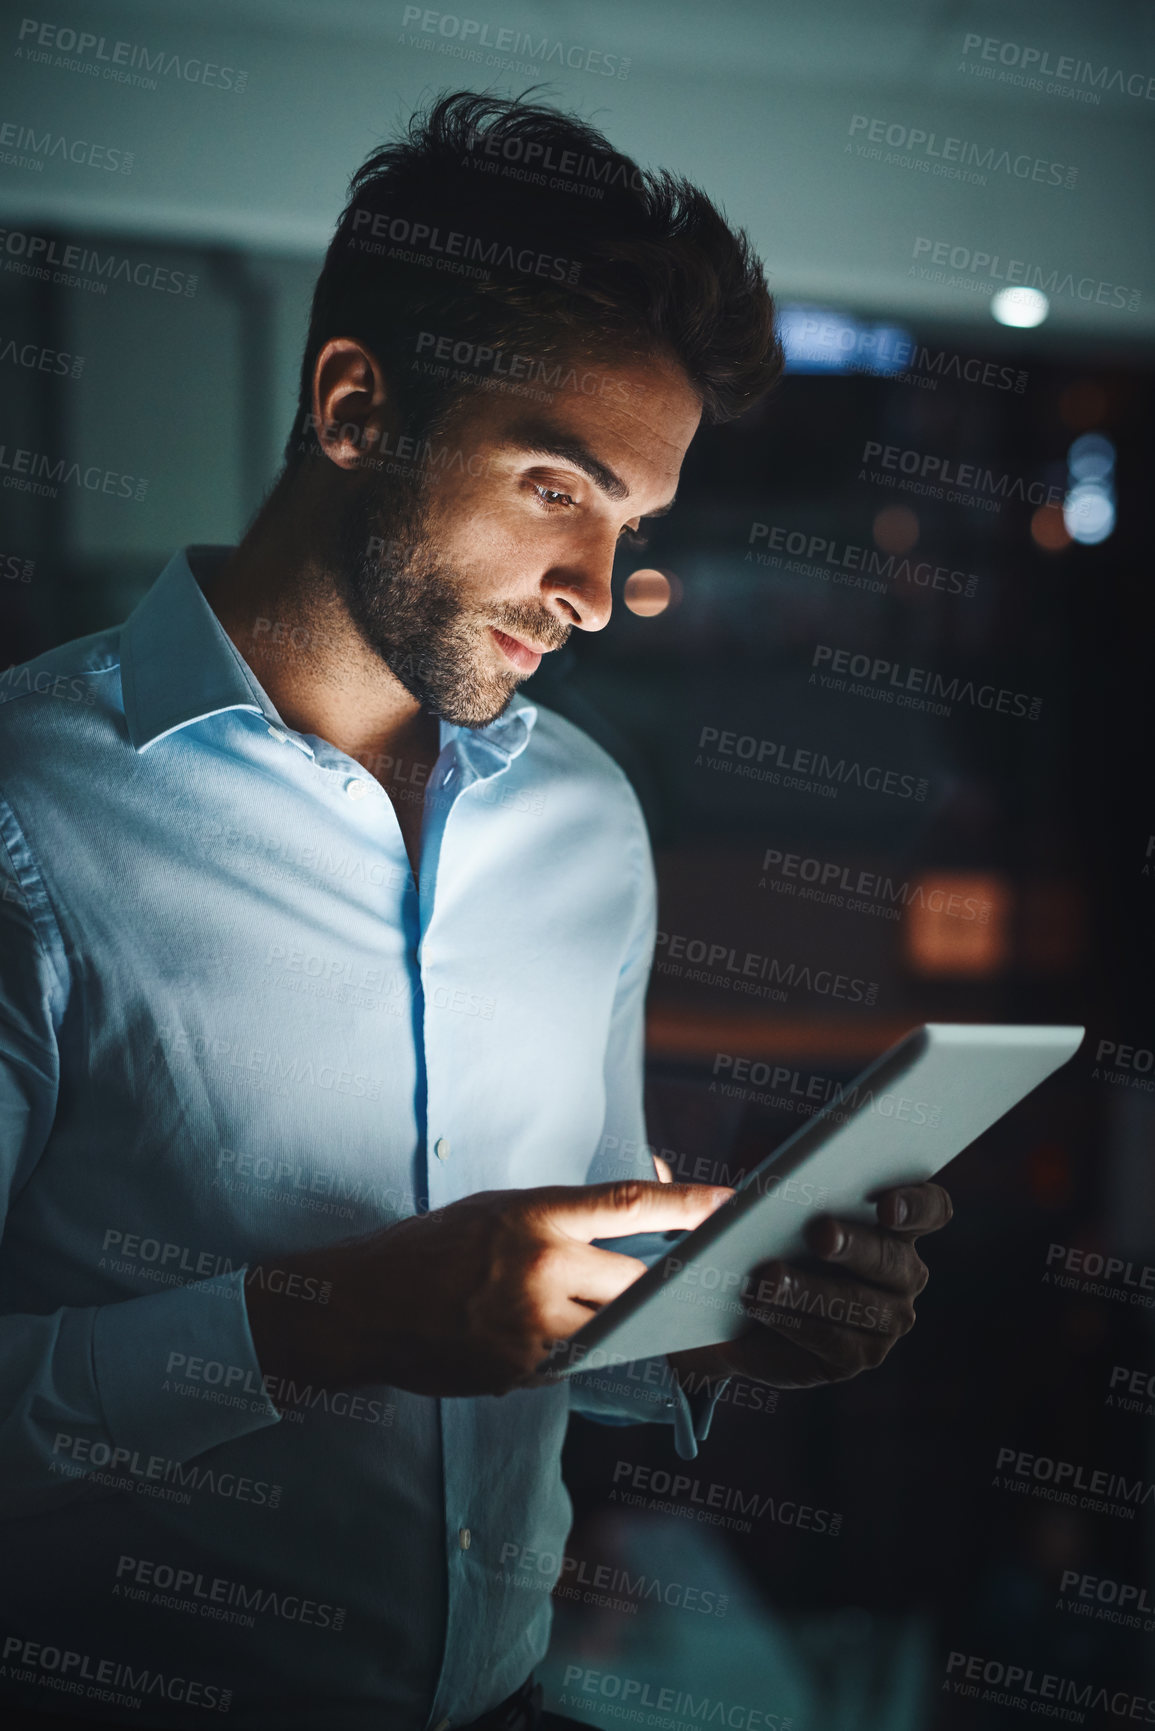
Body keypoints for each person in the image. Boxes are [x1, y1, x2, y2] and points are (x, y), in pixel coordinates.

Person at [0, 91, 952, 1730]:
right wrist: (330, 1323)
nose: (595, 594)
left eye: (632, 525)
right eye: (556, 491)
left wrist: (725, 1328)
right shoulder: (30, 809)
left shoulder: (589, 819)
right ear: (357, 407)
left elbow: (548, 1295)